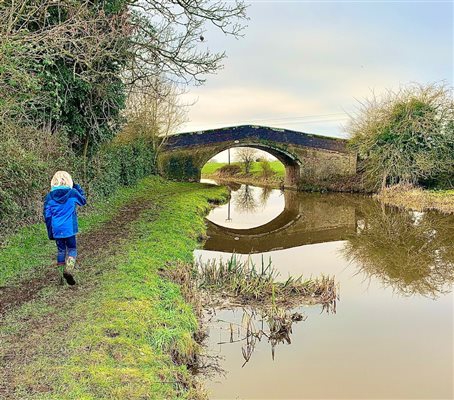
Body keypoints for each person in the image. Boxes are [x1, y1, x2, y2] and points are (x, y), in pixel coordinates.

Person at [43, 171, 86, 285]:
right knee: (72, 249)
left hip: (57, 229)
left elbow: (47, 216)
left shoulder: (49, 197)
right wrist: (78, 187)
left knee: (61, 251)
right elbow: (83, 201)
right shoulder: (72, 193)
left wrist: (50, 232)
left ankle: (60, 278)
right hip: (69, 228)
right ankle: (69, 269)